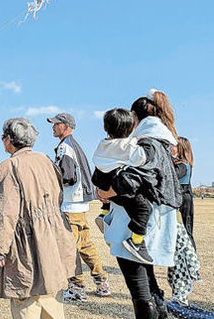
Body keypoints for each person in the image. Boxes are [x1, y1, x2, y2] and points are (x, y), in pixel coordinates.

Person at [98, 91, 181, 319]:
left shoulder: (147, 142)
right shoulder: (159, 140)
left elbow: (137, 178)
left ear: (135, 116)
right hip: (149, 218)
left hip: (134, 221)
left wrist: (108, 192)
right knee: (148, 281)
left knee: (139, 286)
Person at [0, 117, 77, 319]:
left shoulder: (9, 167)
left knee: (26, 297)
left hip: (26, 242)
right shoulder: (46, 160)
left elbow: (4, 213)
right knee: (51, 293)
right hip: (53, 237)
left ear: (9, 139)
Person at [47, 113, 111, 301]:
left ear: (66, 126)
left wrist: (51, 174)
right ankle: (101, 281)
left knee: (69, 247)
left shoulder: (65, 147)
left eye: (56, 124)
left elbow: (67, 177)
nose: (53, 127)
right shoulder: (74, 144)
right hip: (80, 204)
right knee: (85, 244)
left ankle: (77, 288)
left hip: (69, 203)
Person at [92, 108, 154, 264]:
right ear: (132, 128)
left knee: (110, 196)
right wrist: (145, 141)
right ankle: (136, 241)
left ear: (105, 127)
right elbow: (141, 158)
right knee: (144, 208)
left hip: (102, 180)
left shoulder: (102, 144)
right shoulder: (128, 146)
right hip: (118, 187)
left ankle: (104, 213)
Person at [174, 136, 195, 249]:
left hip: (183, 198)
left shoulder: (183, 166)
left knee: (186, 230)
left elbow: (173, 176)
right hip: (185, 197)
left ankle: (191, 256)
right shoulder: (185, 164)